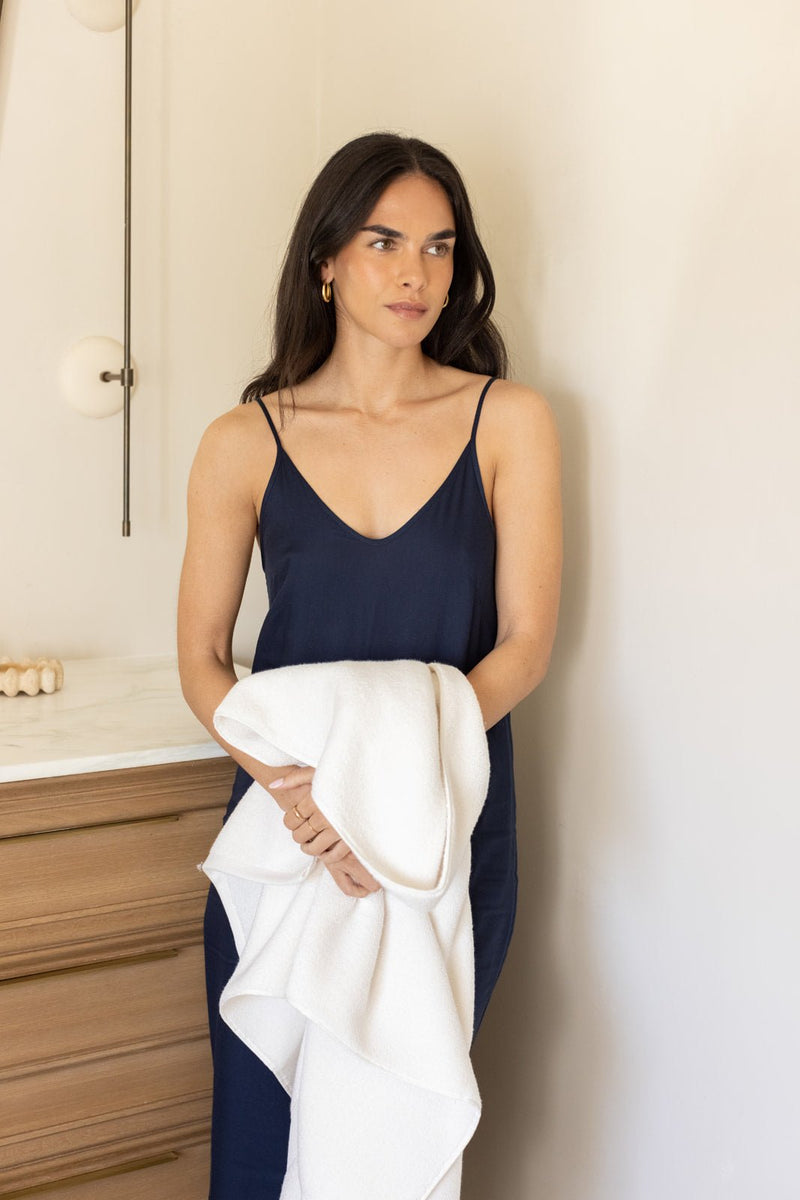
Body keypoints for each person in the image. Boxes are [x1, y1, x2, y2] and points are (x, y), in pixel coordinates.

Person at [177, 130, 562, 1200]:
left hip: (445, 829)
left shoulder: (507, 422)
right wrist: (299, 792)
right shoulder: (241, 440)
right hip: (286, 830)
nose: (413, 273)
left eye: (438, 247)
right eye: (383, 240)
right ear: (326, 261)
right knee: (259, 1138)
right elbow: (204, 662)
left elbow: (525, 646)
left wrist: (379, 780)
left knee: (393, 1134)